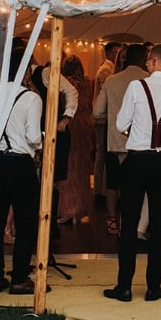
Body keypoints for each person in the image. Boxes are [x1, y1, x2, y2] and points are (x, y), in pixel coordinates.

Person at [103, 43, 161, 303]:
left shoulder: (137, 86)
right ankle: (154, 287)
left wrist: (137, 132)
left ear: (152, 61)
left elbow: (120, 123)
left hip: (137, 160)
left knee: (129, 223)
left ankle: (124, 286)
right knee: (159, 225)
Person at [0, 57, 43, 295]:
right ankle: (19, 277)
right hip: (20, 164)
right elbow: (33, 137)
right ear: (27, 72)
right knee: (26, 222)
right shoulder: (31, 98)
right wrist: (42, 135)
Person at [92, 43, 149, 236]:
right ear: (143, 59)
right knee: (137, 186)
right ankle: (132, 223)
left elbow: (97, 110)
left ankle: (111, 220)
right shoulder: (148, 80)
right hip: (141, 141)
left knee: (113, 184)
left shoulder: (112, 80)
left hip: (115, 140)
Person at [57, 55, 95, 224]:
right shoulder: (87, 82)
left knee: (68, 166)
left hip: (70, 124)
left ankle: (67, 210)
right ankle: (81, 209)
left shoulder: (65, 82)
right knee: (82, 167)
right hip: (85, 125)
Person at [93, 42, 122, 222]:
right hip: (105, 119)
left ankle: (102, 189)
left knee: (102, 154)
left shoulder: (109, 71)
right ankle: (100, 189)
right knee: (102, 153)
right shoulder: (107, 71)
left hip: (105, 118)